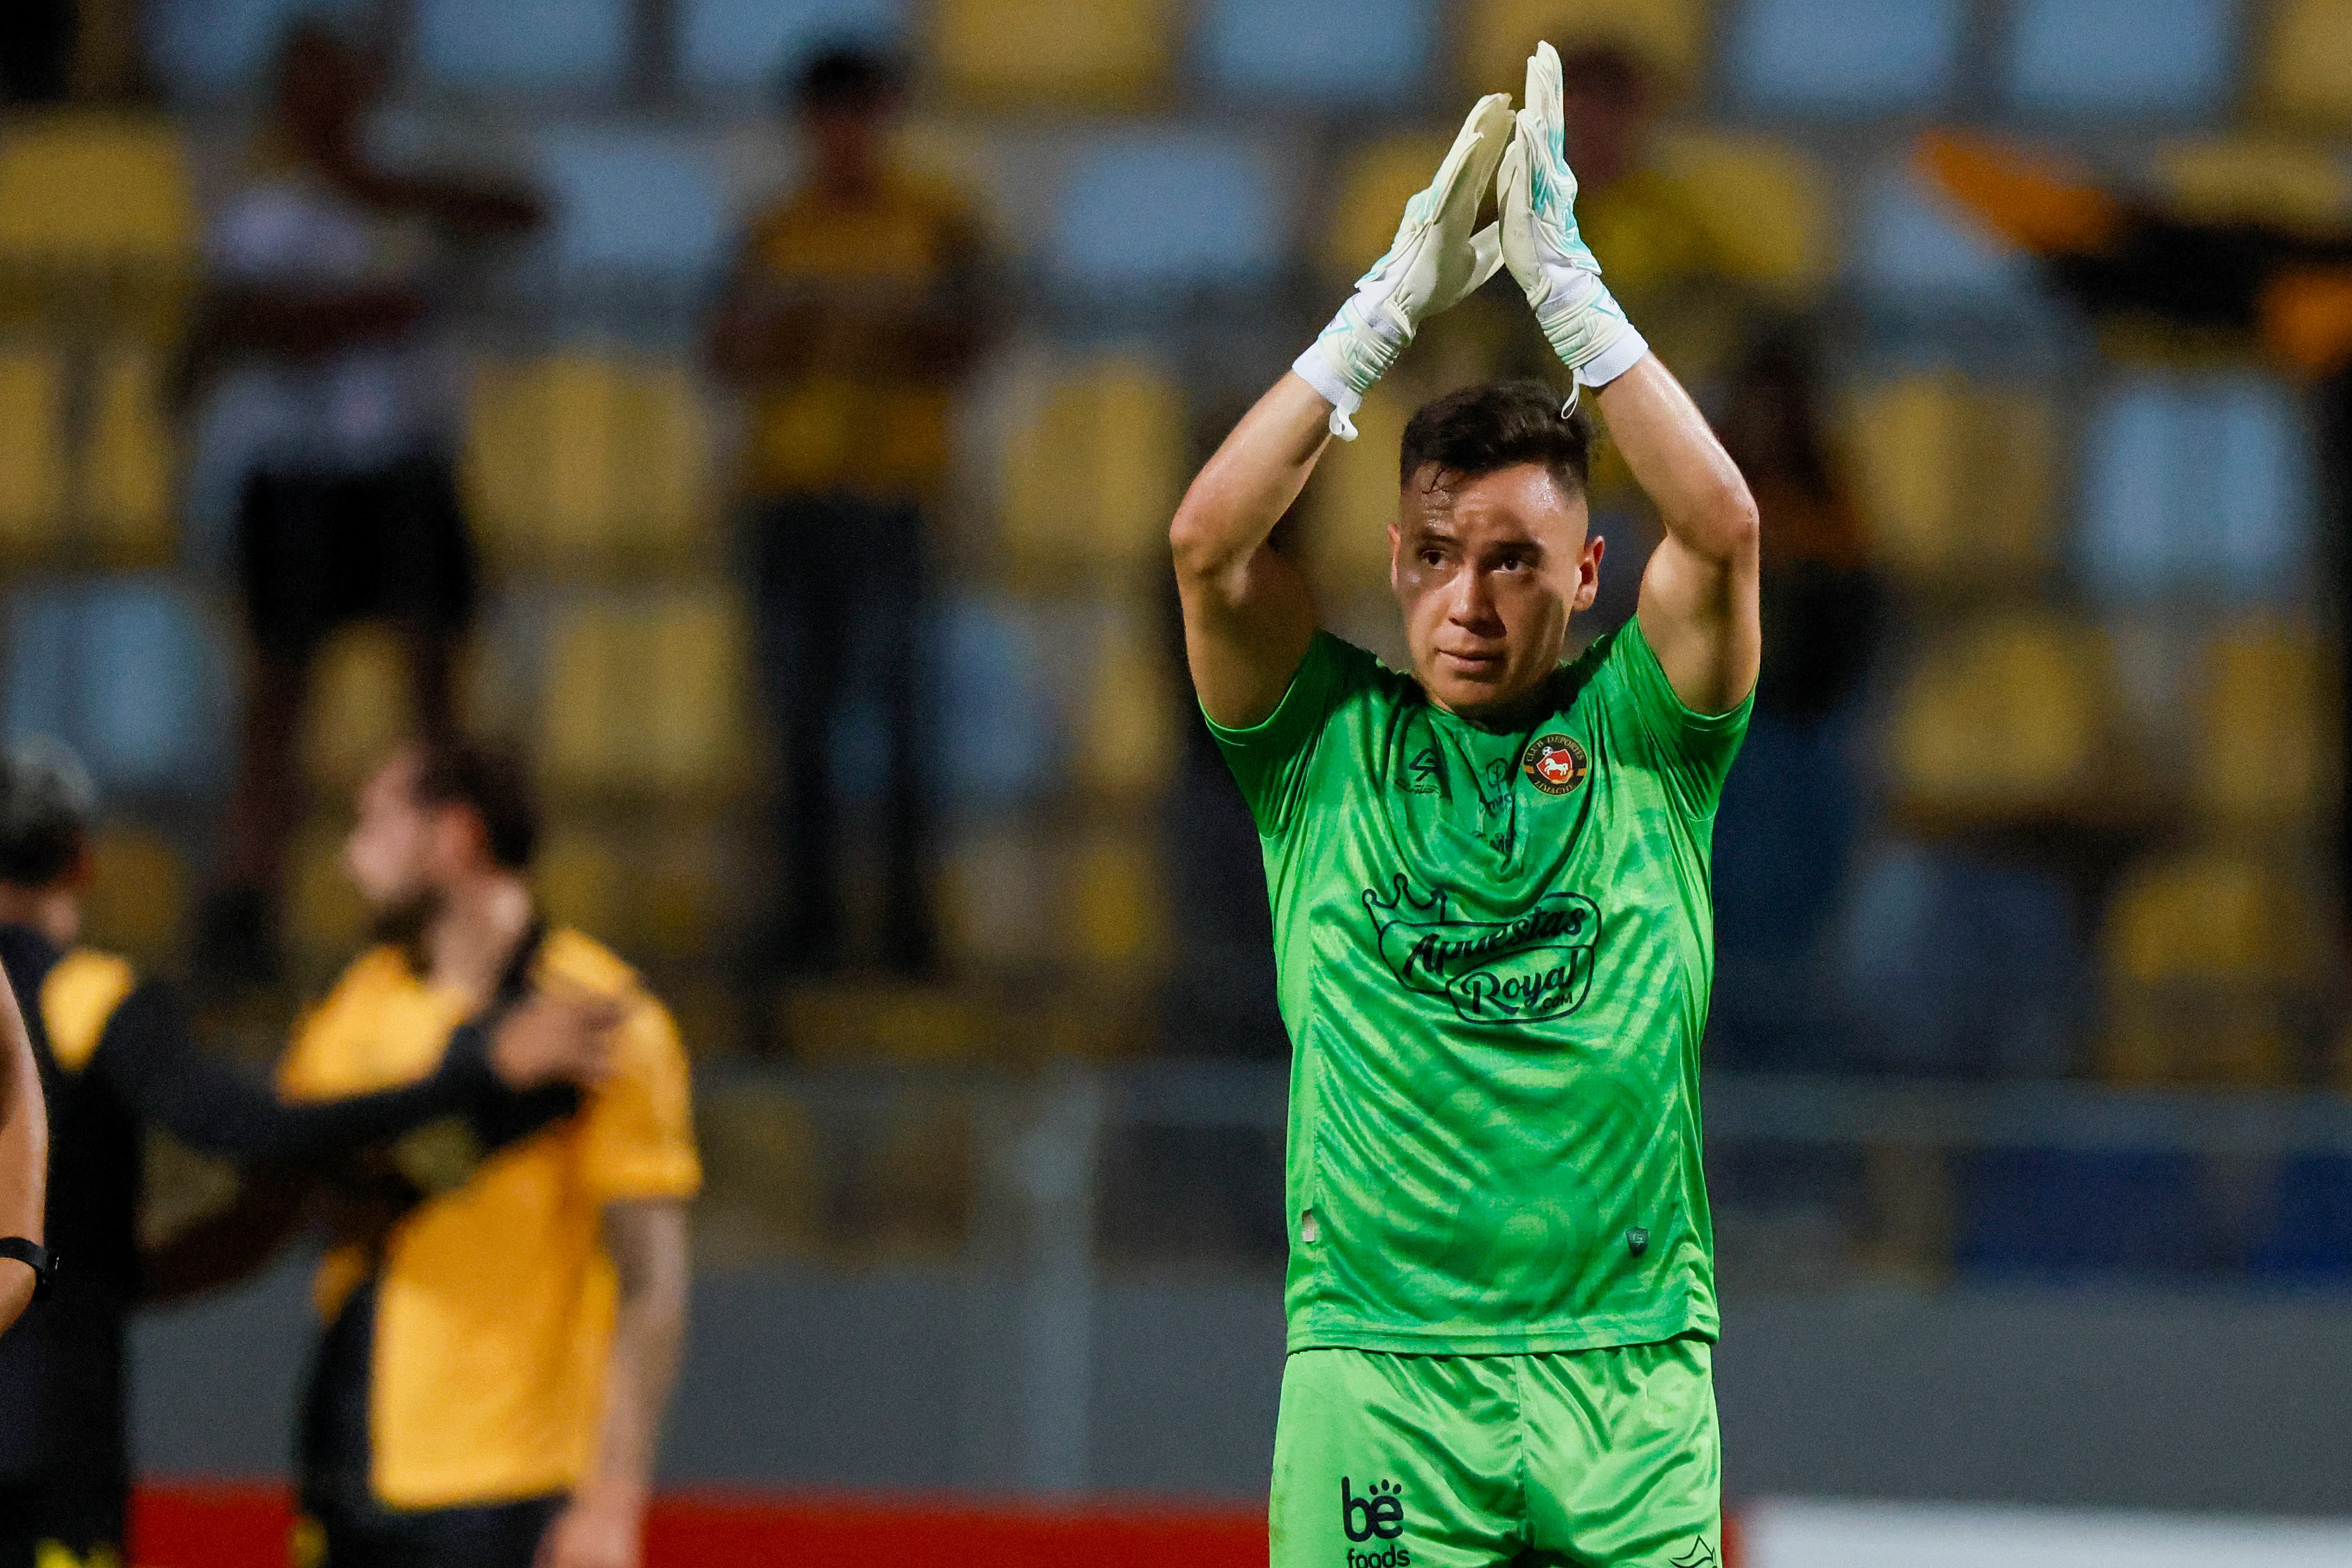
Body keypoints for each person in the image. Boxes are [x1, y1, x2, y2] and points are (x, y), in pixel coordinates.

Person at [1170, 44, 1758, 1568]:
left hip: (1624, 1375)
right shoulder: (1318, 756)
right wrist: (1376, 320)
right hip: (1379, 1375)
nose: (1470, 600)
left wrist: (1571, 292)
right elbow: (1208, 550)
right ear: (1394, 560)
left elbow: (1726, 523)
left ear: (1586, 576)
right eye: (1439, 554)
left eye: (1515, 558)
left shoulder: (1650, 737)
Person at [0, 737, 614, 1568]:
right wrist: (485, 1070)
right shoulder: (87, 997)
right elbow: (253, 1134)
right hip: (47, 1437)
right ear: (83, 862)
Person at [276, 742, 699, 1568]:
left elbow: (652, 1283)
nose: (348, 858)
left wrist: (612, 1503)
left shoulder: (604, 1019)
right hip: (347, 1446)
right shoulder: (356, 1004)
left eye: (375, 824)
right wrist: (486, 1088)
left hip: (511, 1475)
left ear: (456, 836)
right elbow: (297, 1190)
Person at [182, 20, 542, 987]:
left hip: (403, 466)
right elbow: (233, 328)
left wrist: (376, 196)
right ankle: (247, 896)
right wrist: (328, 315)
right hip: (297, 472)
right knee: (281, 692)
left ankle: (442, 893)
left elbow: (524, 214)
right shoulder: (258, 207)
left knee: (429, 689)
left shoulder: (407, 191)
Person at [706, 46, 996, 978]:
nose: (842, 137)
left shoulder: (936, 223)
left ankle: (907, 929)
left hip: (891, 497)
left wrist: (863, 335)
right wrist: (817, 336)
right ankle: (807, 924)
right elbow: (726, 346)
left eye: (856, 114)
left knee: (904, 725)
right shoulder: (773, 230)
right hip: (790, 498)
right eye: (828, 117)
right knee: (798, 724)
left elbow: (976, 330)